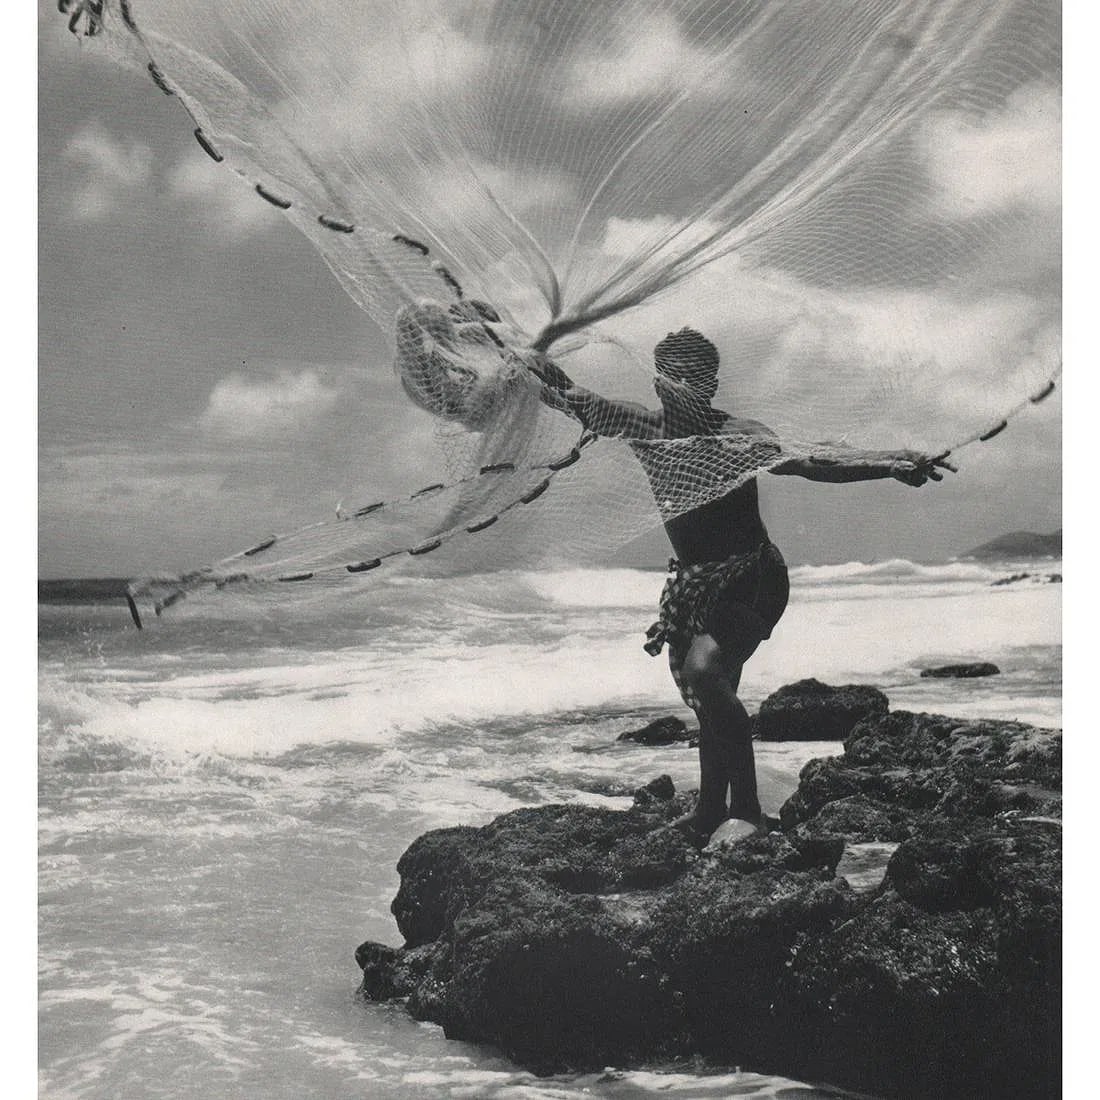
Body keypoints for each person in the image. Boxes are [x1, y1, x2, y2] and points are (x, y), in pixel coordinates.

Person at [530, 327, 954, 844]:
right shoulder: (639, 425)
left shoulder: (738, 434)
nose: (681, 385)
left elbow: (811, 462)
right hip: (694, 582)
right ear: (657, 380)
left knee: (705, 674)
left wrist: (888, 465)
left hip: (752, 577)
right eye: (671, 375)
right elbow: (567, 393)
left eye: (694, 377)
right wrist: (506, 347)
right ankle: (710, 811)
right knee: (711, 697)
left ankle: (748, 810)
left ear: (710, 385)